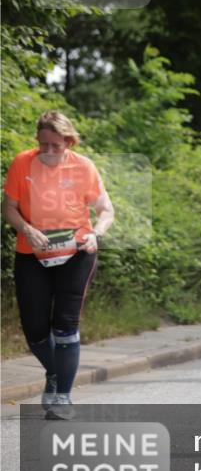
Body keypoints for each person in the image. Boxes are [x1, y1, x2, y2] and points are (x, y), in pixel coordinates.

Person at [2, 110, 115, 420]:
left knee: (65, 325)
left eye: (56, 145)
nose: (49, 152)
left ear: (69, 141)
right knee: (35, 330)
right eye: (43, 145)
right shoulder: (22, 163)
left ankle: (62, 396)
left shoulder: (83, 167)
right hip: (32, 254)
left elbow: (106, 209)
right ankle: (56, 372)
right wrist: (26, 228)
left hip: (76, 253)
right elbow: (8, 208)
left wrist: (96, 233)